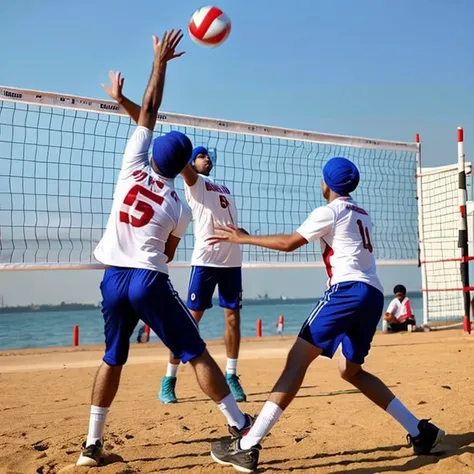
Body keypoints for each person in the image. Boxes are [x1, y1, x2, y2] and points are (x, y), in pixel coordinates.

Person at [76, 30, 251, 467]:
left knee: (112, 358)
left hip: (113, 278)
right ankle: (240, 427)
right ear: (184, 167)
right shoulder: (179, 205)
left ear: (153, 153)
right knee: (196, 352)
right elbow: (170, 254)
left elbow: (148, 109)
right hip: (149, 278)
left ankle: (91, 446)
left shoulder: (131, 167)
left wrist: (158, 62)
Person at [207, 157, 444, 472]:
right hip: (373, 294)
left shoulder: (329, 211)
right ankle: (419, 431)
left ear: (327, 184)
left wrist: (242, 237)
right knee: (351, 371)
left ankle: (247, 446)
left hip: (345, 293)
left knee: (296, 363)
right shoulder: (362, 214)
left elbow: (290, 243)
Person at [101, 74, 247, 404]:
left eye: (208, 155)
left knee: (233, 319)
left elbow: (232, 223)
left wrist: (246, 238)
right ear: (186, 164)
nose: (205, 158)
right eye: (199, 156)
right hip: (205, 261)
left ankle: (232, 374)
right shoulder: (189, 188)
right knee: (188, 324)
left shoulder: (223, 188)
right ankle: (170, 380)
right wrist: (125, 103)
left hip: (231, 260)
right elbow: (151, 119)